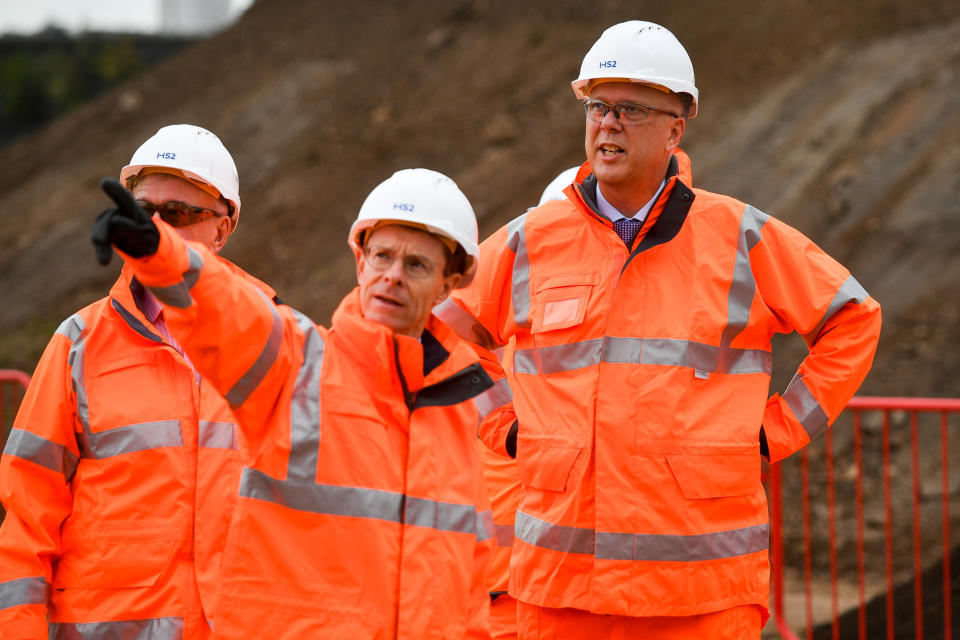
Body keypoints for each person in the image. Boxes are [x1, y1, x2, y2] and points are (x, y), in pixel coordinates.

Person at [435, 20, 882, 639]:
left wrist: (775, 432)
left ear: (676, 127)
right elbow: (441, 333)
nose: (608, 123)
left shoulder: (740, 237)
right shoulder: (530, 240)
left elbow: (853, 318)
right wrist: (505, 427)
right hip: (562, 591)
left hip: (702, 595)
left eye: (631, 109)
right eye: (598, 106)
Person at [91, 167, 512, 638]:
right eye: (382, 257)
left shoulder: (453, 418)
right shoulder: (299, 366)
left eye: (416, 265)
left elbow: (469, 592)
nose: (392, 277)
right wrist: (162, 255)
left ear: (449, 284)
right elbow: (230, 313)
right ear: (360, 263)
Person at [0, 124, 277, 638]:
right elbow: (25, 522)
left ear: (223, 228)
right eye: (142, 210)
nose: (154, 228)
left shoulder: (279, 345)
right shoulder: (78, 345)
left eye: (179, 213)